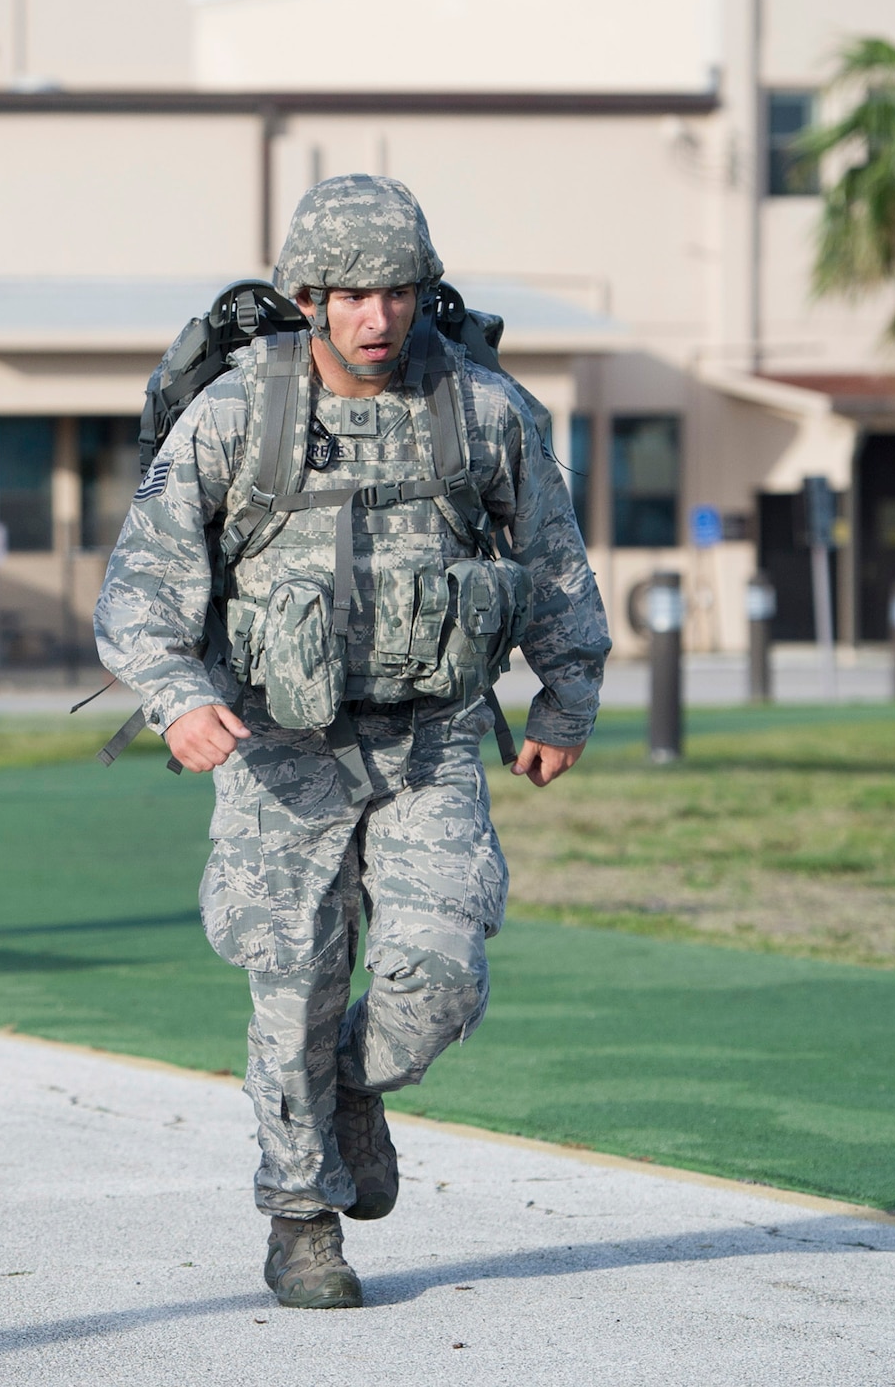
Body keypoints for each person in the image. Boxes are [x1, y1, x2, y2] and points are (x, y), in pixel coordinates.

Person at [94, 176, 610, 1308]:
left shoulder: (482, 411)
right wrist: (177, 696)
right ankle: (300, 1217)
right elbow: (140, 586)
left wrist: (566, 697)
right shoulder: (237, 414)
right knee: (293, 982)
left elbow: (556, 564)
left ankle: (352, 1092)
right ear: (309, 293)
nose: (378, 316)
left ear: (424, 291)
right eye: (354, 293)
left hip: (431, 745)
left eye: (399, 290)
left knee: (437, 979)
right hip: (279, 751)